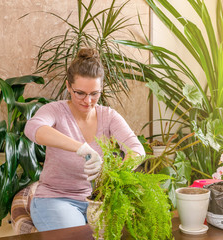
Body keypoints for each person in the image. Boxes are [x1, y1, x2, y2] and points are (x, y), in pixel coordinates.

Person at [24, 48, 145, 232]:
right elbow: (33, 129)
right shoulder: (55, 111)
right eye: (80, 93)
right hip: (55, 199)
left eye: (94, 94)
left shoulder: (109, 116)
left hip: (95, 201)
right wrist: (81, 148)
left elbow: (137, 149)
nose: (88, 101)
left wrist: (115, 175)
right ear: (68, 86)